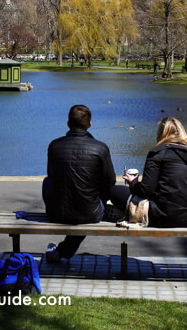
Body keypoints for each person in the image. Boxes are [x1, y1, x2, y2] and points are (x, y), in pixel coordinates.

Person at [43, 105, 117, 263]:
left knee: (47, 181)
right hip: (90, 211)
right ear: (90, 124)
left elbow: (52, 175)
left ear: (68, 123)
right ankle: (62, 252)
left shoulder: (54, 146)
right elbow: (110, 182)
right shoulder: (100, 148)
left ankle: (61, 252)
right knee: (87, 201)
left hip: (56, 212)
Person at [122, 117, 187, 227]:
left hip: (164, 215)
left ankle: (124, 214)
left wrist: (133, 183)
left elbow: (146, 191)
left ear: (161, 134)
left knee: (115, 191)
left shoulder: (157, 153)